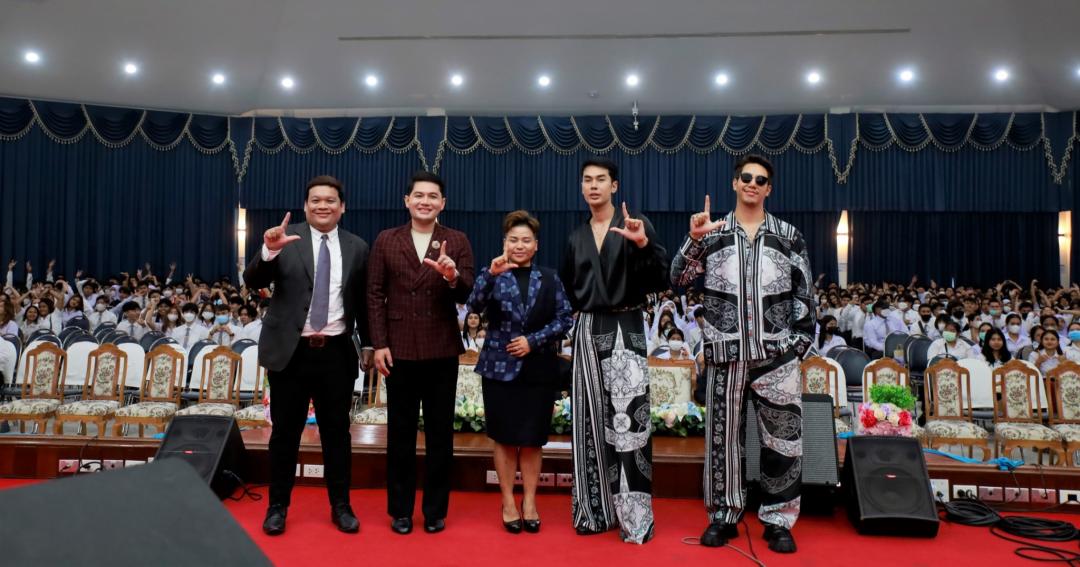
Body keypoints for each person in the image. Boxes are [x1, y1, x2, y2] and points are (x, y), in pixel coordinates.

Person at [671, 154, 813, 554]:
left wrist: (797, 347)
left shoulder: (788, 235)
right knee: (723, 442)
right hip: (725, 354)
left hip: (777, 355)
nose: (752, 183)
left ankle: (778, 519)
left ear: (769, 189)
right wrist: (693, 240)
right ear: (735, 184)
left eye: (760, 179)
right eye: (746, 177)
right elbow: (678, 278)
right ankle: (723, 515)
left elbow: (804, 293)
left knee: (784, 441)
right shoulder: (712, 233)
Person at [244, 175, 371, 536]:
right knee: (285, 434)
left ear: (342, 207)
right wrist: (268, 250)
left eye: (330, 200)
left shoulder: (358, 247)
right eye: (316, 200)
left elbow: (364, 301)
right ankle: (277, 507)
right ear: (305, 205)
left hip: (336, 353)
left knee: (337, 434)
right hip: (291, 353)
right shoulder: (286, 239)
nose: (322, 206)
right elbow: (252, 280)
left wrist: (370, 344)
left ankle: (341, 505)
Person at [560, 158, 669, 544]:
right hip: (588, 329)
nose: (593, 186)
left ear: (614, 186)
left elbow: (661, 278)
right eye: (587, 180)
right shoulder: (575, 237)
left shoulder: (636, 225)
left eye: (601, 180)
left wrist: (642, 245)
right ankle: (594, 512)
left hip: (627, 326)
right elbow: (568, 288)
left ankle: (635, 518)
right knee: (588, 422)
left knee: (629, 426)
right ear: (581, 187)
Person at [368, 171, 475, 536]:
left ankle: (434, 511)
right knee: (399, 434)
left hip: (440, 347)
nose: (425, 201)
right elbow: (374, 293)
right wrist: (379, 343)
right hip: (397, 349)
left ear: (442, 203)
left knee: (440, 435)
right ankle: (400, 510)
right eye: (419, 195)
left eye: (432, 196)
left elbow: (468, 293)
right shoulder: (387, 239)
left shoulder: (456, 240)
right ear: (407, 200)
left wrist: (451, 276)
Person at [466, 210, 573, 534]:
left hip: (538, 369)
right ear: (505, 242)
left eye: (526, 240)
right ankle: (507, 501)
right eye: (514, 240)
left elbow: (564, 318)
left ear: (536, 245)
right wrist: (489, 274)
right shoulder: (494, 273)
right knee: (503, 438)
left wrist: (533, 340)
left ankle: (529, 501)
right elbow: (473, 305)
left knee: (532, 440)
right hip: (499, 370)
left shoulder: (550, 278)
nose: (520, 245)